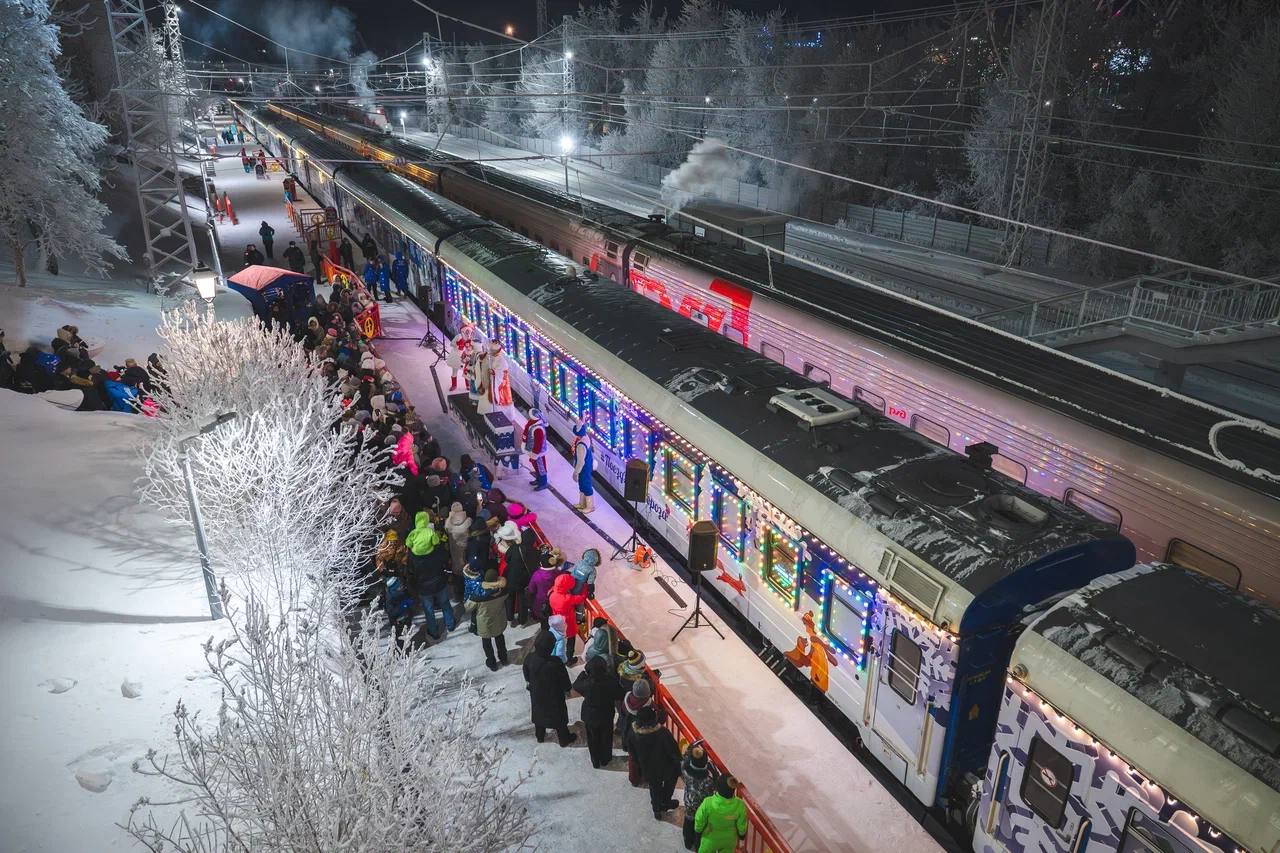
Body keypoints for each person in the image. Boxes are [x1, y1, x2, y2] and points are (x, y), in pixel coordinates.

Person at [522, 630, 576, 747]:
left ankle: (540, 736)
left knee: (539, 714)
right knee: (559, 718)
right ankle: (564, 739)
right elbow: (564, 680)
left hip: (537, 693)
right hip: (554, 696)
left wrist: (530, 683)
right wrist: (567, 689)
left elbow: (526, 673)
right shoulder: (555, 662)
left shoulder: (530, 658)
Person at [626, 705, 682, 819]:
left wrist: (640, 766)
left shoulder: (633, 734)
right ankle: (665, 802)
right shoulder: (663, 733)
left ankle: (656, 809)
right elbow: (674, 752)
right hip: (667, 768)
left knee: (654, 788)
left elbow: (632, 753)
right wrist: (679, 766)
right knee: (669, 786)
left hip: (648, 770)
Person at [405, 511, 454, 640]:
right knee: (445, 604)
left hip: (423, 588)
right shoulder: (436, 550)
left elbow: (410, 572)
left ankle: (434, 631)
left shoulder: (412, 556)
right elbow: (444, 559)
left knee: (428, 611)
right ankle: (451, 624)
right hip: (439, 582)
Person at [572, 655, 627, 769]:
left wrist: (582, 675)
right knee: (606, 737)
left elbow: (576, 686)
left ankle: (595, 760)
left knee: (592, 738)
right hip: (605, 714)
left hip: (590, 715)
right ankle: (605, 759)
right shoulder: (610, 682)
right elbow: (620, 694)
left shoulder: (586, 683)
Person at [465, 569, 509, 670]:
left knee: (487, 643)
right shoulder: (503, 592)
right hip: (499, 620)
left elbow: (468, 607)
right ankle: (504, 658)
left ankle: (492, 663)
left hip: (484, 623)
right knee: (500, 639)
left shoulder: (478, 597)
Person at [694, 775, 748, 853]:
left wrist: (698, 832)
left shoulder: (708, 802)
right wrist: (742, 835)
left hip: (710, 837)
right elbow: (742, 824)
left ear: (717, 787)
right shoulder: (740, 804)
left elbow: (699, 819)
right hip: (729, 840)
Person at [681, 745, 717, 851]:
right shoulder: (708, 780)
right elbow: (716, 784)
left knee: (688, 820)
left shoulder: (685, 771)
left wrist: (690, 752)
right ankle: (697, 845)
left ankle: (687, 842)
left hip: (689, 801)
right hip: (702, 807)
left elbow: (684, 760)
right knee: (699, 827)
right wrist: (712, 768)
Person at [548, 574, 589, 664]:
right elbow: (581, 598)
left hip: (555, 619)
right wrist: (585, 588)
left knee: (557, 638)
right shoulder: (567, 598)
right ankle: (569, 658)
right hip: (568, 621)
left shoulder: (551, 593)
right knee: (571, 639)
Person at [526, 550, 562, 628]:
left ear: (541, 564)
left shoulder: (537, 575)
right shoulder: (558, 573)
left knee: (544, 621)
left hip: (541, 602)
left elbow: (531, 589)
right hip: (555, 601)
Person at [571, 417, 596, 512]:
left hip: (584, 468)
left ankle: (590, 506)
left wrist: (576, 472)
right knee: (582, 484)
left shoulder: (581, 445)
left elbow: (581, 462)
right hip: (587, 465)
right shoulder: (586, 437)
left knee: (585, 485)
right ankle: (582, 503)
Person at [522, 408, 549, 491]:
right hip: (534, 451)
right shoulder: (533, 424)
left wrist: (535, 454)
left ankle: (543, 483)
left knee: (541, 468)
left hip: (537, 453)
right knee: (536, 467)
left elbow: (538, 444)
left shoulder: (538, 429)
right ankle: (538, 480)